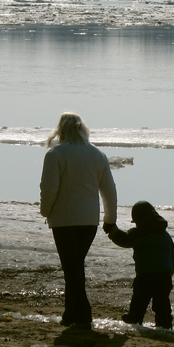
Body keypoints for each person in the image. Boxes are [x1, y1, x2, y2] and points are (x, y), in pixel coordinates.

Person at [40, 112, 117, 328]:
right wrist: (110, 219)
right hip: (89, 221)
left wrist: (46, 211)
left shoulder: (56, 154)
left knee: (72, 268)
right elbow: (109, 191)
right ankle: (70, 314)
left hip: (64, 220)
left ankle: (83, 314)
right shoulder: (98, 155)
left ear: (60, 130)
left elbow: (48, 188)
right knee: (74, 266)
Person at [104, 201, 174, 329]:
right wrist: (171, 271)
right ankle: (165, 324)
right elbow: (172, 256)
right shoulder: (165, 235)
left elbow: (125, 240)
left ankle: (134, 318)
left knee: (139, 299)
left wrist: (112, 231)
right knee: (162, 302)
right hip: (165, 275)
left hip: (145, 275)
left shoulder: (140, 234)